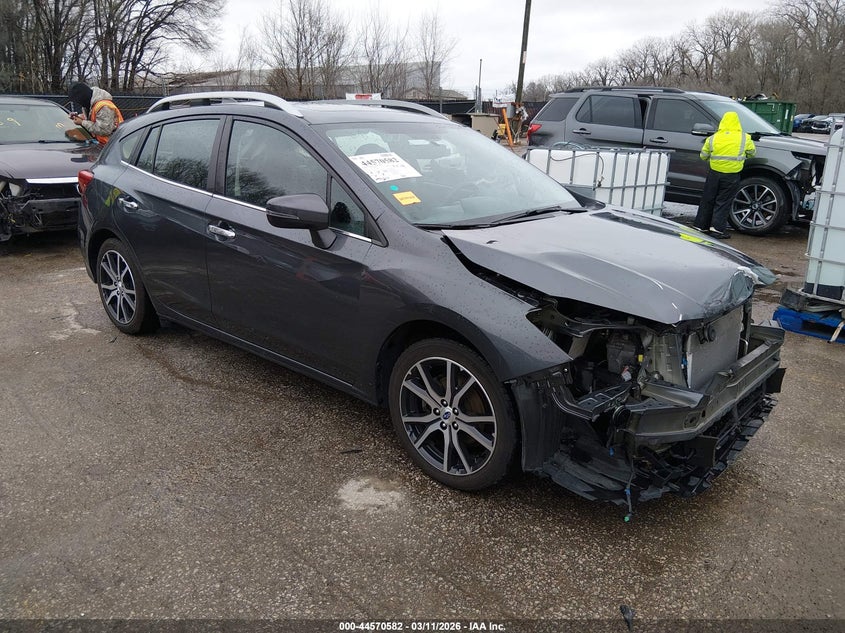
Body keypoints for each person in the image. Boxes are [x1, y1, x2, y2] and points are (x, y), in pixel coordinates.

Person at [693, 110, 756, 239]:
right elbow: (751, 153)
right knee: (723, 202)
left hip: (714, 173)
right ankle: (717, 229)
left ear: (722, 122)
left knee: (708, 199)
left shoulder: (714, 137)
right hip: (732, 175)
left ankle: (701, 226)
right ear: (737, 123)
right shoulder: (745, 137)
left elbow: (703, 155)